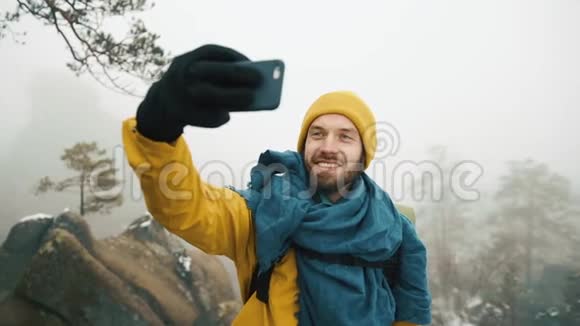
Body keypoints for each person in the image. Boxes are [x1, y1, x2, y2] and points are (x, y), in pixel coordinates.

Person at [122, 44, 431, 326]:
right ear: (304, 143)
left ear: (365, 154)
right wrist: (157, 130)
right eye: (318, 133)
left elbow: (412, 314)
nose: (328, 146)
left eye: (345, 136)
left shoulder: (397, 231)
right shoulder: (266, 209)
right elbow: (189, 207)